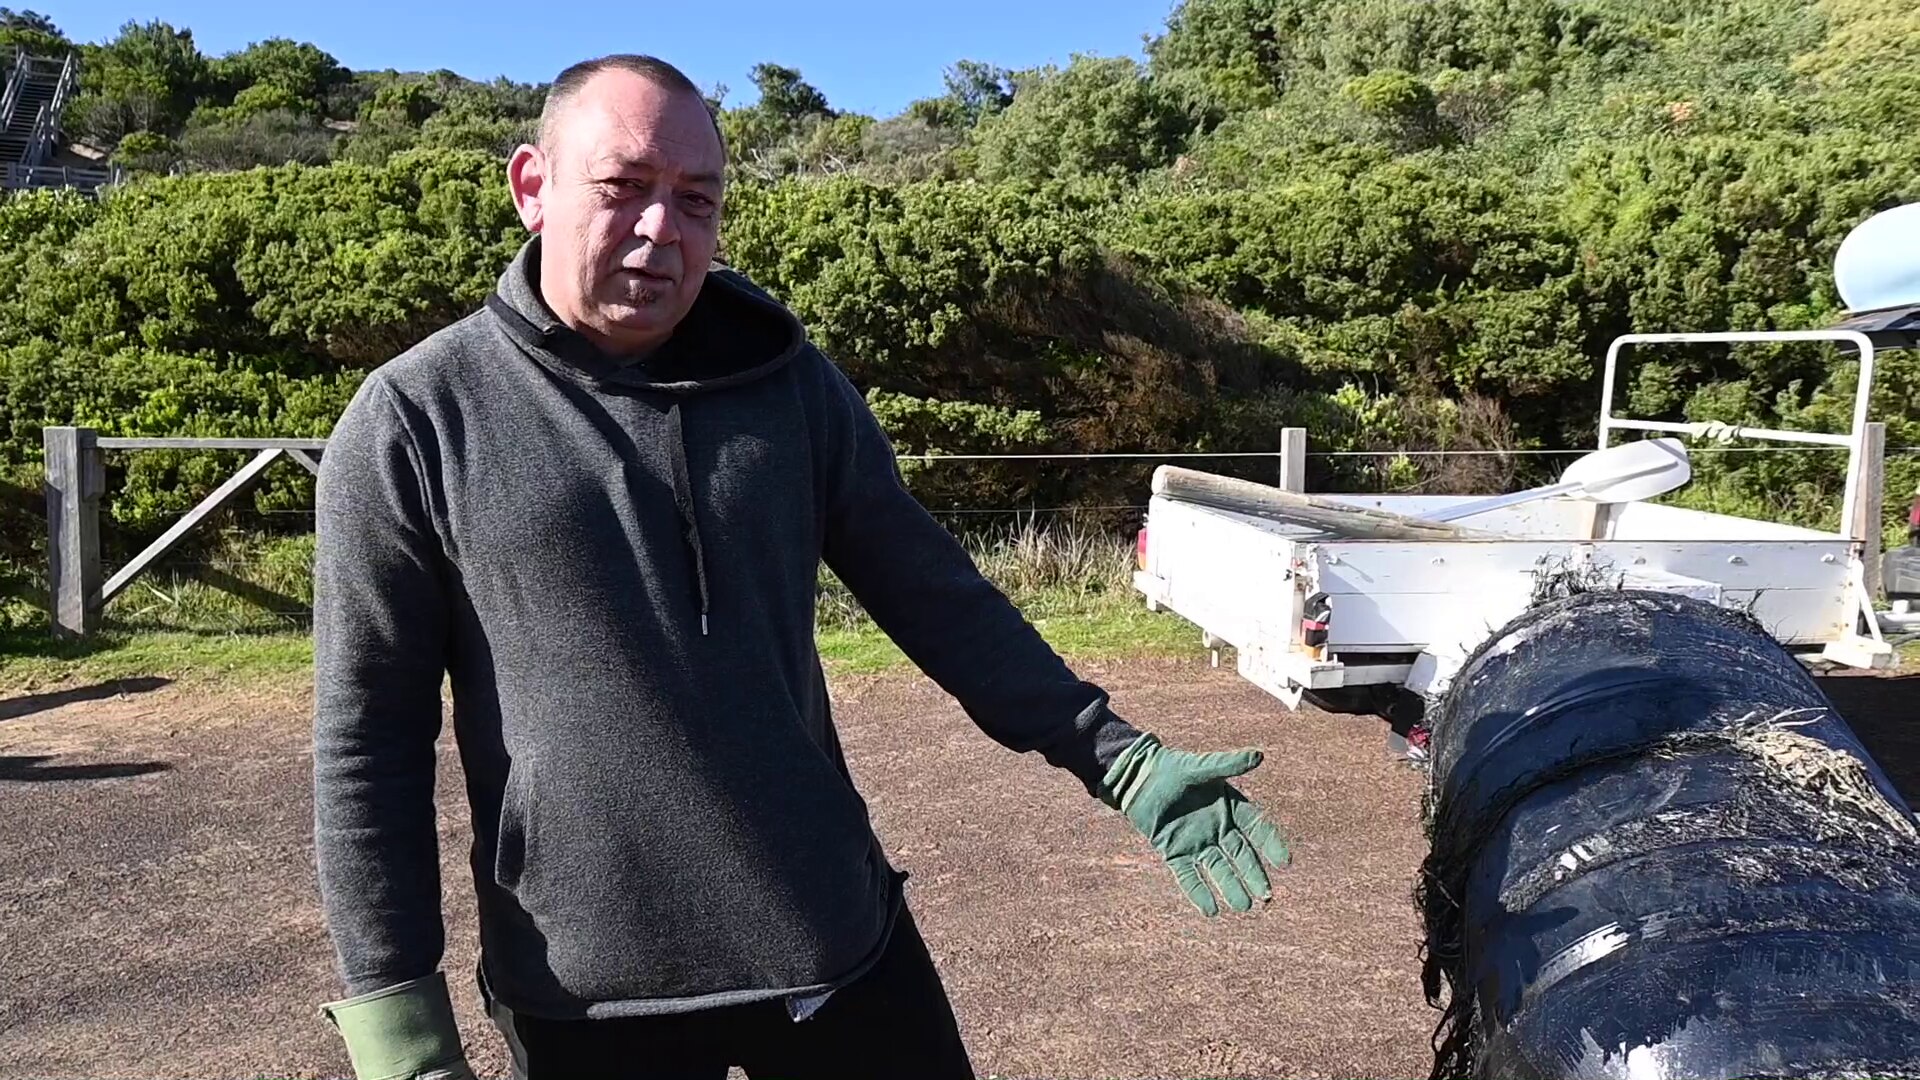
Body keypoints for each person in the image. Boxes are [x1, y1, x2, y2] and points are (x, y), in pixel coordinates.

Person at [310, 53, 1292, 1080]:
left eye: (697, 200)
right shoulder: (416, 419)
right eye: (624, 186)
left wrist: (1117, 759)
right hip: (587, 992)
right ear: (532, 186)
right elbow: (368, 739)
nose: (661, 228)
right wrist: (400, 1033)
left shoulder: (787, 386)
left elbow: (937, 597)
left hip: (830, 937)